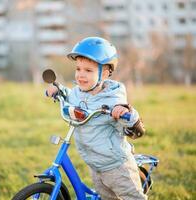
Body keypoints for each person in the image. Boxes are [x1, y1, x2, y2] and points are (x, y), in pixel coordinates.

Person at [45, 37, 146, 200]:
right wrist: (58, 90)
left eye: (88, 70)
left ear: (104, 74)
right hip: (95, 165)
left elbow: (131, 123)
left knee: (132, 197)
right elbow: (69, 95)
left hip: (117, 166)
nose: (81, 75)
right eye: (78, 69)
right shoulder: (79, 92)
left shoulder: (113, 99)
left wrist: (124, 111)